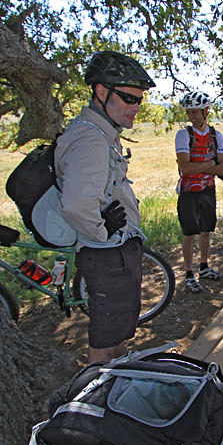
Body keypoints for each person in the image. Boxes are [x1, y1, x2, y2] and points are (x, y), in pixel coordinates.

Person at [55, 51, 155, 363]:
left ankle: (117, 382)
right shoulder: (91, 139)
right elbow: (74, 204)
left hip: (114, 250)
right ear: (102, 92)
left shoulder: (101, 133)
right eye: (128, 98)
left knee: (118, 330)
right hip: (106, 253)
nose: (135, 107)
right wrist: (102, 231)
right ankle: (98, 400)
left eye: (139, 100)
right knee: (105, 336)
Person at [175, 91, 223, 293]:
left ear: (206, 111)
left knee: (206, 231)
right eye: (189, 113)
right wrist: (210, 163)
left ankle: (204, 267)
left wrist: (198, 165)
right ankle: (189, 273)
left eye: (195, 112)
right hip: (188, 192)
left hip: (208, 190)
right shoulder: (184, 135)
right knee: (190, 233)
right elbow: (185, 169)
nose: (191, 117)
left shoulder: (217, 136)